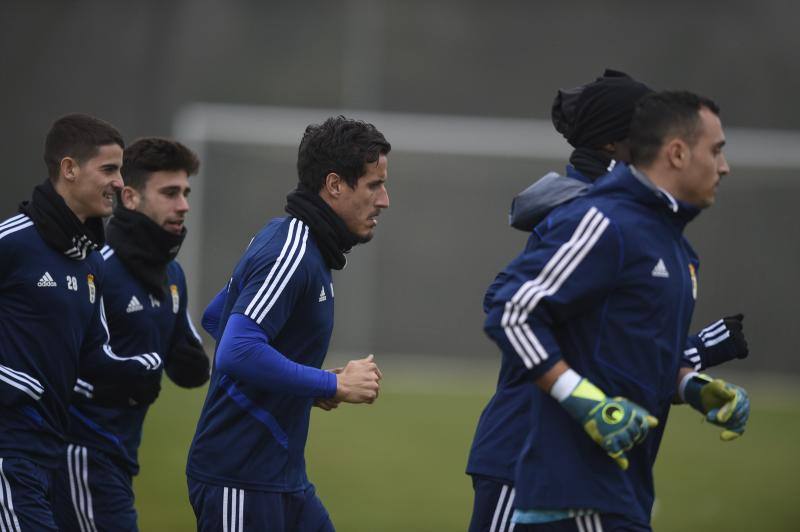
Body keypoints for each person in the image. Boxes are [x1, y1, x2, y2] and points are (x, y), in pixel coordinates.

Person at [466, 72, 749, 532]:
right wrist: (579, 397)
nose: (724, 165)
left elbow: (618, 342)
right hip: (529, 456)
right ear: (618, 146)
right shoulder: (594, 218)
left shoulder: (666, 237)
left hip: (616, 477)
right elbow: (507, 305)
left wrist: (688, 380)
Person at [186, 116, 389, 531]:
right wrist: (331, 385)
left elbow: (216, 316)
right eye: (373, 185)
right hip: (239, 480)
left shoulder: (304, 245)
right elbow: (237, 350)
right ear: (334, 185)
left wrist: (300, 384)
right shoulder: (291, 249)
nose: (384, 200)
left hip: (281, 480)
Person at [0, 114, 163, 531]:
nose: (119, 182)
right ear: (69, 169)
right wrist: (13, 381)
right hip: (8, 452)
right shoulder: (14, 242)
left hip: (47, 456)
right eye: (108, 169)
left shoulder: (90, 263)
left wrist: (140, 367)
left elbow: (94, 354)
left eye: (121, 170)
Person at [51, 137, 210, 531]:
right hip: (79, 457)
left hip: (119, 457)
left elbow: (189, 368)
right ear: (130, 198)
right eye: (170, 193)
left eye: (186, 193)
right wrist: (132, 373)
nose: (183, 205)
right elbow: (54, 370)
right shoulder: (93, 270)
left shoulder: (171, 276)